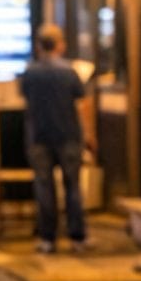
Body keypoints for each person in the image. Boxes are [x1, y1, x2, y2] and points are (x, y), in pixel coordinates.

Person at [20, 24, 90, 254]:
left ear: (39, 46)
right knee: (73, 187)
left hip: (39, 136)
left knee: (44, 187)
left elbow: (25, 102)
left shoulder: (30, 72)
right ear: (60, 45)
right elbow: (82, 104)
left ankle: (48, 239)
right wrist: (89, 134)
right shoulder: (69, 72)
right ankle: (77, 238)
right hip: (69, 135)